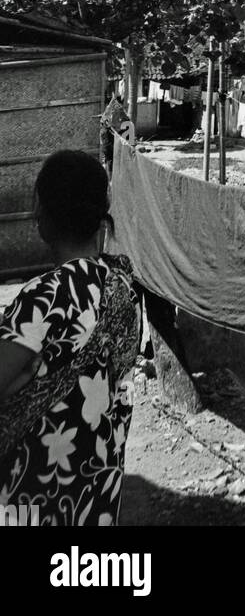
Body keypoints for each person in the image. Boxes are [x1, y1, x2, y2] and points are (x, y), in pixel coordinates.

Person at [0, 149, 141, 526]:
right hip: (96, 491)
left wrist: (25, 379)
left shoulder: (44, 298)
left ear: (43, 216)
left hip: (35, 495)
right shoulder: (124, 288)